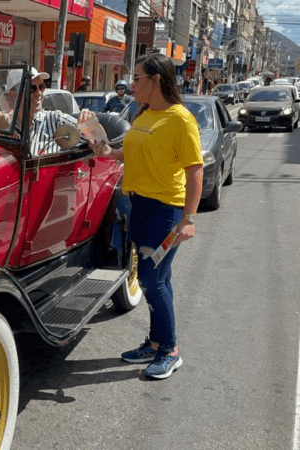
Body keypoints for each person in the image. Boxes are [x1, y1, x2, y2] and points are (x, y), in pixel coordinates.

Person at [90, 53, 203, 379]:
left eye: (137, 78)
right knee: (157, 279)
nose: (131, 84)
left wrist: (189, 219)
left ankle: (169, 350)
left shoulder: (180, 119)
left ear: (156, 80)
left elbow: (195, 170)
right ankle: (155, 344)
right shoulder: (142, 115)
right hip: (139, 207)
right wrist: (108, 151)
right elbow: (130, 152)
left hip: (165, 212)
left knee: (153, 279)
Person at [0, 68, 92, 156]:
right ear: (14, 95)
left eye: (41, 87)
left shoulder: (55, 119)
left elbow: (93, 136)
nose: (39, 93)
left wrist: (89, 124)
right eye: (32, 88)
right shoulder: (4, 123)